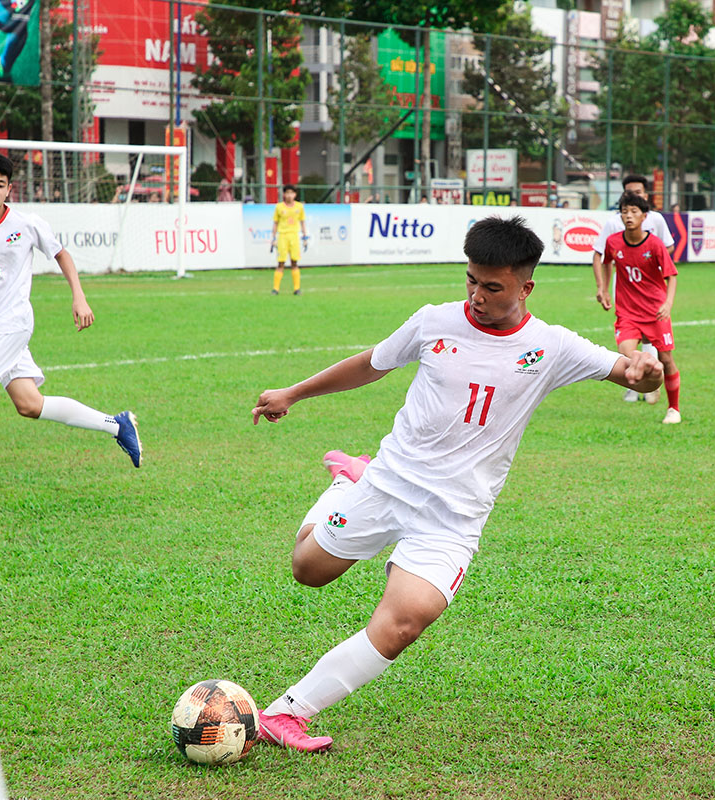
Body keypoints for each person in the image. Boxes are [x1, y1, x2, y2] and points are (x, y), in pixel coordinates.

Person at [250, 216, 663, 753]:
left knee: (404, 622)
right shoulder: (433, 322)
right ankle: (346, 481)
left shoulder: (552, 346)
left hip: (454, 515)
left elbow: (630, 373)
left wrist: (647, 369)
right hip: (390, 482)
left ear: (525, 287)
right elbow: (370, 365)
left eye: (493, 287)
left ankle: (286, 713)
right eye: (471, 280)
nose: (477, 295)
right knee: (307, 571)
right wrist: (294, 392)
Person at [0, 150, 142, 510]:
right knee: (30, 404)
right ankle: (117, 425)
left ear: (9, 189)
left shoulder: (27, 223)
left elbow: (62, 255)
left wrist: (79, 297)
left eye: (0, 185)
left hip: (13, 324)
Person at [596, 192, 682, 423]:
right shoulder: (613, 242)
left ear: (645, 216)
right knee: (625, 352)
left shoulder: (654, 244)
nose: (628, 216)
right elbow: (605, 263)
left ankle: (673, 409)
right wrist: (603, 289)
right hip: (627, 312)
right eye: (624, 212)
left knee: (667, 360)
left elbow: (672, 276)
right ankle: (649, 378)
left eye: (634, 212)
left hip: (655, 311)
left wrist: (667, 303)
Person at [271, 184, 307, 296]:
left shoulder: (299, 207)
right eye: (287, 193)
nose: (289, 195)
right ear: (284, 194)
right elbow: (275, 223)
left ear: (295, 194)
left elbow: (302, 223)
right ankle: (275, 289)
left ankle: (297, 289)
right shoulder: (279, 207)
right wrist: (273, 238)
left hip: (294, 236)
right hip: (282, 235)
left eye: (291, 193)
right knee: (281, 262)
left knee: (294, 262)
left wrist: (305, 237)